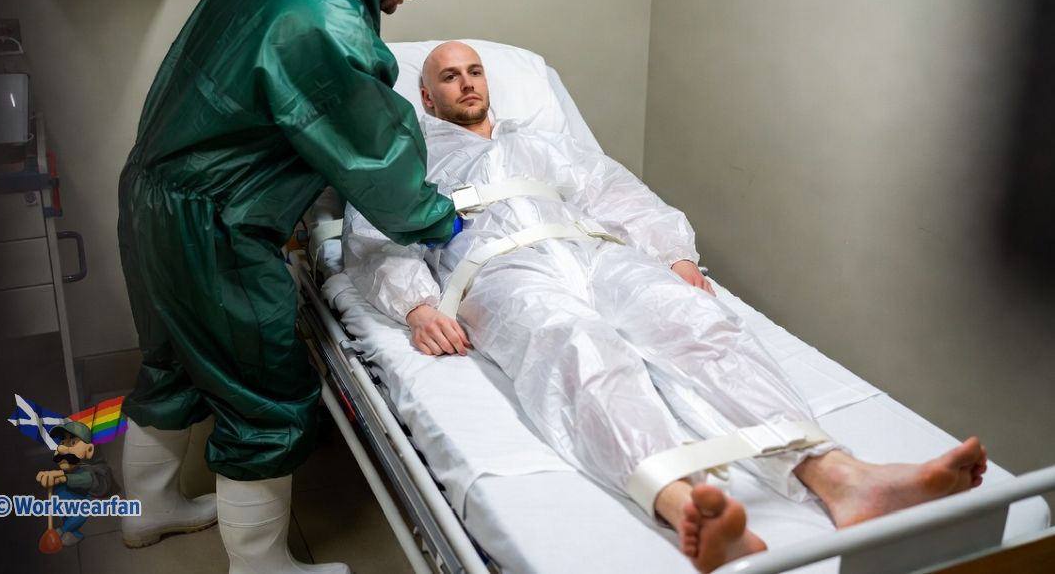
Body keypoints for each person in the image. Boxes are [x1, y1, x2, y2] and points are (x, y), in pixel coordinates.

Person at [343, 41, 989, 573]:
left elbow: (619, 196)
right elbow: (374, 235)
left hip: (593, 251)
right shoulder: (409, 153)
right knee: (577, 344)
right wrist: (418, 306)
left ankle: (841, 476)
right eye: (449, 76)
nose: (467, 83)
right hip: (502, 270)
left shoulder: (545, 145)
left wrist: (674, 255)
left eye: (475, 71)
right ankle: (686, 507)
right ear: (425, 95)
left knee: (696, 322)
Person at [117, 0, 465, 573]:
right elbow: (374, 155)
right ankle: (260, 564)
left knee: (173, 362)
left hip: (153, 195)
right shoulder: (325, 18)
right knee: (265, 394)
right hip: (216, 223)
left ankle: (147, 509)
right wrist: (442, 222)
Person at [34, 420, 114, 547]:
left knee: (83, 505)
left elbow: (86, 479)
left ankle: (64, 529)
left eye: (72, 443)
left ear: (89, 449)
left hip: (95, 490)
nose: (61, 448)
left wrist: (62, 478)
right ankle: (72, 530)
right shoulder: (74, 463)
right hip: (79, 485)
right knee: (59, 493)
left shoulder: (91, 469)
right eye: (62, 443)